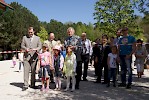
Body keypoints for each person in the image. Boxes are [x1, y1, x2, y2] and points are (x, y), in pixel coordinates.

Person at [21, 27, 42, 91]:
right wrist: (25, 49)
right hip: (26, 57)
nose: (30, 33)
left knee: (33, 72)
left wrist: (36, 49)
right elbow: (22, 45)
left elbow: (40, 46)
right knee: (26, 71)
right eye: (29, 32)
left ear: (34, 32)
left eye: (31, 32)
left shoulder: (37, 38)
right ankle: (25, 85)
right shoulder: (24, 37)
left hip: (34, 57)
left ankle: (33, 84)